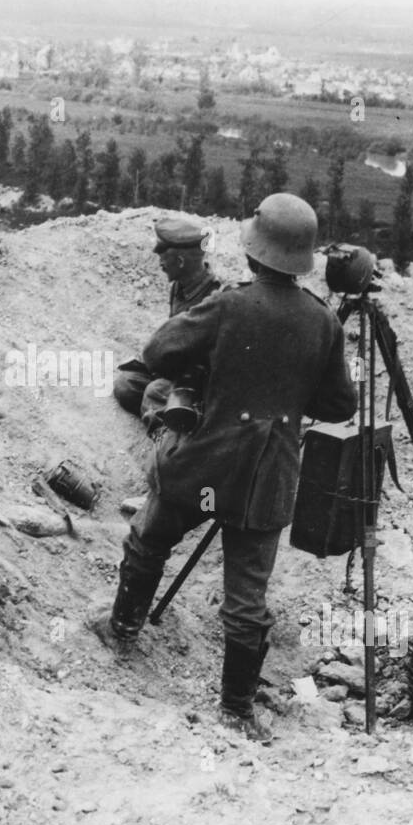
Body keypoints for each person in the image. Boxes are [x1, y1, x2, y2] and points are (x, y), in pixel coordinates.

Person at [90, 194, 357, 738]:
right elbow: (340, 406)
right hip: (266, 477)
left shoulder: (229, 304)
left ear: (255, 252)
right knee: (246, 600)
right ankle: (236, 711)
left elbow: (159, 351)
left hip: (204, 462)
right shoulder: (322, 320)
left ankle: (122, 628)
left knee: (149, 540)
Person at [112, 218, 222, 430]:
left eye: (163, 256)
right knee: (126, 385)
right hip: (173, 371)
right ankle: (164, 416)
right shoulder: (179, 288)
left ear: (180, 262)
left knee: (155, 392)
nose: (160, 263)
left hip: (198, 383)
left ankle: (172, 437)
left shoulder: (215, 297)